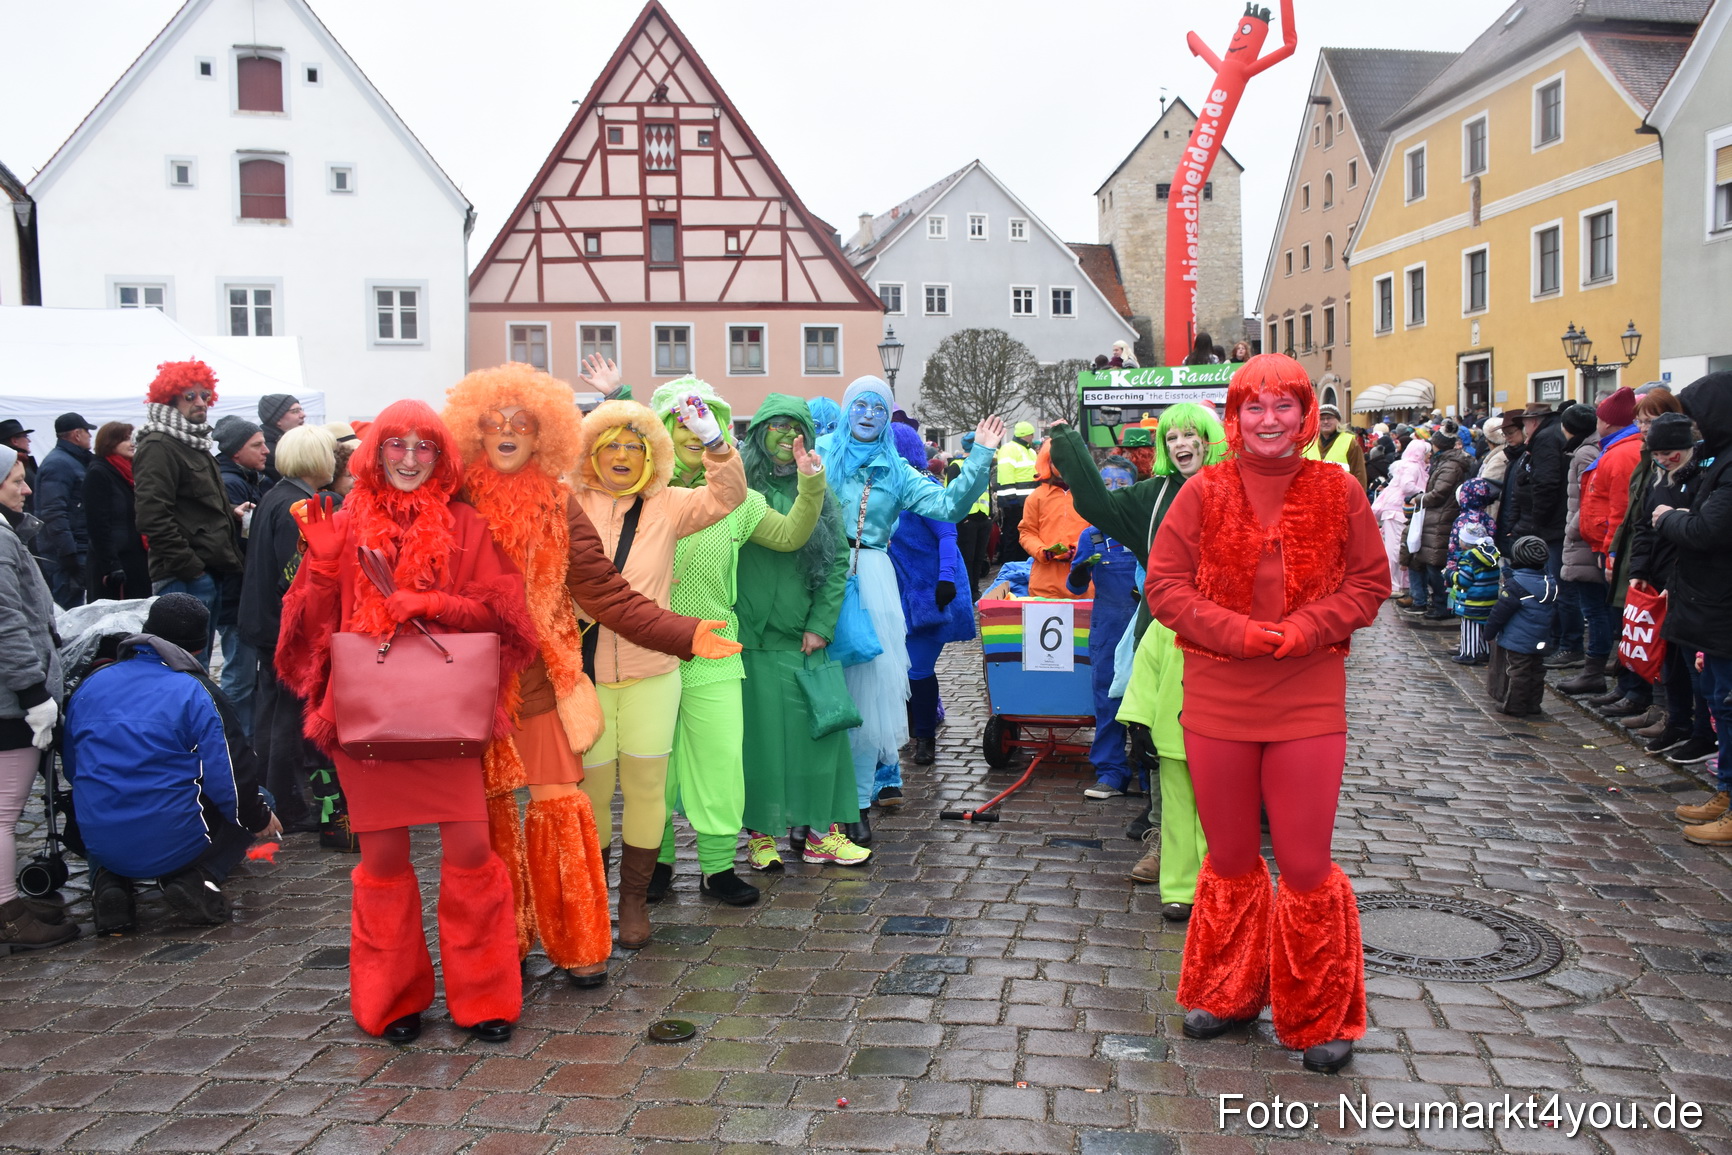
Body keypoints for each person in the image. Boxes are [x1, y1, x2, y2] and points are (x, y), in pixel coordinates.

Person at [443, 365, 740, 983]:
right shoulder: (456, 500)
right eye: (493, 424)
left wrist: (684, 633)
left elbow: (604, 590)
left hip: (562, 680)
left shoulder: (570, 504)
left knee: (566, 806)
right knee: (496, 813)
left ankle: (595, 919)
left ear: (543, 436)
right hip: (488, 682)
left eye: (522, 424)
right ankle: (507, 933)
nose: (507, 433)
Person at [1145, 354, 1387, 1075]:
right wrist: (1238, 633)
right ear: (1235, 416)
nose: (1270, 419)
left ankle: (1318, 1011)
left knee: (1306, 861)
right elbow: (1167, 587)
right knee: (1228, 856)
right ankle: (1228, 989)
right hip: (1218, 695)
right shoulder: (1204, 491)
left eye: (1285, 405)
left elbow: (1371, 582)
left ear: (1306, 413)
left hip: (1309, 696)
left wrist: (1310, 627)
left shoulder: (1338, 489)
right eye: (1256, 406)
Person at [277, 400, 537, 1044]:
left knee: (472, 852)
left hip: (445, 717)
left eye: (425, 446)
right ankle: (392, 1001)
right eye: (397, 445)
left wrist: (434, 602)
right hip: (367, 719)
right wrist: (326, 566)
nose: (411, 458)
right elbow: (306, 637)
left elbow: (505, 617)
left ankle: (484, 999)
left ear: (442, 457)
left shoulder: (465, 523)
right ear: (374, 453)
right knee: (385, 860)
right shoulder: (340, 521)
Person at [566, 370, 747, 949]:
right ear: (591, 453)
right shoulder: (568, 502)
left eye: (634, 445)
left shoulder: (668, 505)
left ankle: (634, 903)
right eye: (610, 445)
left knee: (645, 790)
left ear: (653, 453)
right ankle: (591, 902)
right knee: (592, 794)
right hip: (586, 675)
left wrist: (714, 440)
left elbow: (728, 496)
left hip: (652, 673)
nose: (621, 455)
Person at [645, 378, 827, 907]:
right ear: (663, 431)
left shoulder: (738, 500)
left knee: (722, 759)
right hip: (648, 650)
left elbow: (792, 534)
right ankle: (654, 865)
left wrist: (810, 483)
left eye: (705, 423)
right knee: (653, 763)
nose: (694, 435)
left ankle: (717, 869)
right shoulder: (640, 496)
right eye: (681, 423)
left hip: (714, 650)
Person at [1047, 401, 1227, 892]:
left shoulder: (1238, 488)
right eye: (1172, 437)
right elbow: (1099, 507)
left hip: (1227, 638)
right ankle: (1166, 841)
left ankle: (1221, 848)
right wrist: (1067, 442)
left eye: (1192, 434)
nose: (1182, 444)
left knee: (1221, 743)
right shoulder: (1153, 495)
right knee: (1161, 742)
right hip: (1163, 634)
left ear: (1213, 437)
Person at [818, 377, 1003, 833]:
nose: (867, 414)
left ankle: (858, 805)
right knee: (819, 691)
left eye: (878, 408)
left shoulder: (896, 468)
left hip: (873, 579)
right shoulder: (820, 454)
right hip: (820, 575)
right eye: (859, 405)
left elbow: (946, 507)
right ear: (846, 409)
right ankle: (813, 807)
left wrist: (979, 456)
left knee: (869, 694)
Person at [66, 594, 281, 933]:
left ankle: (109, 883)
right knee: (261, 799)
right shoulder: (197, 692)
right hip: (175, 841)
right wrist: (259, 816)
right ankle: (199, 877)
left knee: (104, 800)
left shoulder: (90, 685)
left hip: (102, 838)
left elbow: (73, 769)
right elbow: (232, 781)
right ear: (198, 648)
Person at [736, 396, 871, 871]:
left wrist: (820, 624)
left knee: (820, 737)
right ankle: (761, 835)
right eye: (773, 425)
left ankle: (820, 833)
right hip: (748, 638)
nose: (782, 435)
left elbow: (836, 562)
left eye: (793, 426)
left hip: (802, 637)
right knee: (759, 743)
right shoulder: (735, 487)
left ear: (807, 439)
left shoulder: (819, 489)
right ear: (757, 434)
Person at [240, 425, 351, 847]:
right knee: (284, 719)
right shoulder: (297, 506)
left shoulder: (279, 494)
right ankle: (284, 803)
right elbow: (295, 578)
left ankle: (275, 797)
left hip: (264, 623)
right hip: (279, 629)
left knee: (273, 716)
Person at [0, 443, 78, 952]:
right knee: (4, 813)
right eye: (15, 480)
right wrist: (34, 694)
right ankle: (8, 912)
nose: (27, 489)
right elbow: (8, 623)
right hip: (10, 701)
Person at [1650, 373, 1732, 845]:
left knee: (1728, 702)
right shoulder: (1716, 460)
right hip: (1711, 603)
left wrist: (1671, 518)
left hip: (1722, 604)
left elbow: (1708, 530)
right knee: (1722, 698)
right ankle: (1726, 791)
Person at [135, 361, 244, 661]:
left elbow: (195, 505)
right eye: (190, 396)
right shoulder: (159, 444)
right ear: (170, 398)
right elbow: (151, 516)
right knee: (182, 666)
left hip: (207, 570)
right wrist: (191, 567)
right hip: (186, 574)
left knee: (197, 666)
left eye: (205, 395)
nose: (200, 403)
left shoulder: (193, 441)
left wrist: (230, 513)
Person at [1625, 412, 1717, 763]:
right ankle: (1677, 721)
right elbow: (1645, 527)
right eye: (1657, 453)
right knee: (1668, 661)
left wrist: (1675, 582)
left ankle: (1702, 732)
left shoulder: (1702, 479)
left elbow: (1695, 536)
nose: (1662, 459)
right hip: (1660, 579)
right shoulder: (1658, 479)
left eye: (1668, 453)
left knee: (1691, 660)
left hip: (1687, 583)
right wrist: (1639, 569)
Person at [888, 423, 975, 771]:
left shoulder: (922, 487)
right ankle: (911, 731)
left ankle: (924, 737)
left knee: (917, 667)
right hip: (895, 593)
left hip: (929, 593)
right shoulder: (882, 488)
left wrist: (945, 580)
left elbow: (947, 535)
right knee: (899, 668)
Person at [1065, 455, 1140, 800]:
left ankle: (1147, 771)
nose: (1113, 491)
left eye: (1121, 485)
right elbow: (1076, 588)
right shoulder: (1091, 536)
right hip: (1107, 627)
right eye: (1106, 484)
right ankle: (1111, 772)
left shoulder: (1144, 528)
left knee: (1145, 702)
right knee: (1108, 700)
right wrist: (1080, 571)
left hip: (1144, 626)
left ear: (1135, 488)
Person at [214, 416, 269, 733]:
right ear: (236, 451)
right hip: (236, 594)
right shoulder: (233, 483)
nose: (265, 451)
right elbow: (244, 544)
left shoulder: (246, 478)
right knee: (240, 676)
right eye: (256, 445)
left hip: (238, 591)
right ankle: (237, 743)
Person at [1546, 404, 1601, 674]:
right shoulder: (1586, 449)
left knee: (1574, 595)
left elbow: (1588, 499)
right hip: (1578, 531)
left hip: (1578, 534)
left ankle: (1573, 648)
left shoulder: (1584, 453)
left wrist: (1571, 528)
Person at [1485, 535, 1559, 717]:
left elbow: (1500, 611)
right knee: (1537, 669)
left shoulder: (1516, 586)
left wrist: (1489, 631)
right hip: (1540, 637)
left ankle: (1515, 705)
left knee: (1518, 671)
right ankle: (1533, 704)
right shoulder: (1549, 583)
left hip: (1518, 638)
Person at [1407, 425, 1473, 620]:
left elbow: (1439, 493)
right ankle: (1437, 604)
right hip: (1438, 517)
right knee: (1431, 562)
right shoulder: (1445, 462)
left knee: (1436, 564)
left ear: (1438, 445)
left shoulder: (1450, 465)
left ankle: (1441, 606)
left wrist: (1419, 499)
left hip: (1442, 517)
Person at [34, 412, 97, 609]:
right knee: (71, 614)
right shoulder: (59, 464)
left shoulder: (71, 461)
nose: (90, 436)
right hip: (68, 555)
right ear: (77, 434)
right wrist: (69, 555)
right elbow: (53, 512)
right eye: (87, 431)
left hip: (75, 550)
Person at [82, 422, 150, 601]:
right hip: (114, 563)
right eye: (126, 439)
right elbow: (97, 523)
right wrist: (111, 565)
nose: (132, 443)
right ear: (110, 442)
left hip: (134, 558)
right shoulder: (99, 473)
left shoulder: (129, 473)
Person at [1018, 440, 1091, 599]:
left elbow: (1098, 530)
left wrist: (1078, 549)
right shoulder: (1036, 497)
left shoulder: (1089, 495)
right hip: (1045, 582)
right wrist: (1042, 551)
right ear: (1046, 463)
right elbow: (1027, 532)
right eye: (1054, 460)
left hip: (1083, 580)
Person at [1446, 480, 1500, 664]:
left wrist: (1450, 573)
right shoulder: (1488, 520)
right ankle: (1484, 649)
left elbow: (1463, 578)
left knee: (1469, 623)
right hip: (1487, 593)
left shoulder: (1463, 523)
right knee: (1482, 622)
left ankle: (1469, 652)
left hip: (1472, 596)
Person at [1372, 440, 1428, 599]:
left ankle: (1399, 584)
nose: (1429, 454)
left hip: (1397, 510)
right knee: (1396, 549)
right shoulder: (1412, 466)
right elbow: (1407, 487)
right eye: (1427, 451)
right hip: (1397, 511)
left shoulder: (1409, 465)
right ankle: (1393, 585)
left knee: (1398, 548)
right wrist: (1426, 493)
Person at [944, 433, 993, 598]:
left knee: (979, 557)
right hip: (966, 520)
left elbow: (988, 491)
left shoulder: (980, 465)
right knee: (967, 558)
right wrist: (961, 517)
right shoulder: (956, 466)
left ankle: (974, 590)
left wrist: (989, 516)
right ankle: (966, 590)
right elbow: (952, 492)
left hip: (983, 518)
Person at [994, 422, 1038, 563]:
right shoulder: (1009, 449)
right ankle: (1010, 562)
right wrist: (1010, 499)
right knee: (1012, 533)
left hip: (1028, 501)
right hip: (1015, 501)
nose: (1032, 437)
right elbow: (1006, 474)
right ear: (1027, 435)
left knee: (1025, 532)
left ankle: (1023, 561)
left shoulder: (1030, 451)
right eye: (1031, 434)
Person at [1303, 404, 1368, 490]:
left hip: (1341, 498)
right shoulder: (1309, 443)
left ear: (1338, 421)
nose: (1326, 421)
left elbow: (1359, 475)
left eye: (1329, 418)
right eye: (1322, 419)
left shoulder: (1350, 443)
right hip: (1314, 498)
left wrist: (1358, 499)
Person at [258, 394, 306, 484]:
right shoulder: (270, 452)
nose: (303, 415)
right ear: (277, 419)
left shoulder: (292, 444)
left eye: (301, 410)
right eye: (295, 411)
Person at [0, 421, 37, 514]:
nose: (29, 441)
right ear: (14, 441)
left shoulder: (22, 464)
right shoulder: (15, 466)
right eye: (25, 437)